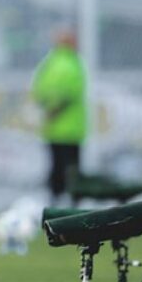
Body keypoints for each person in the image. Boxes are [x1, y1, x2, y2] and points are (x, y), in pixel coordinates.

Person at [32, 29, 87, 205]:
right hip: (71, 128)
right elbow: (72, 92)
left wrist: (49, 110)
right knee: (72, 168)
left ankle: (54, 200)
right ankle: (73, 203)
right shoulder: (73, 63)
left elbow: (38, 90)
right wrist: (57, 109)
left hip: (52, 127)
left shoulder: (48, 64)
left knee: (55, 167)